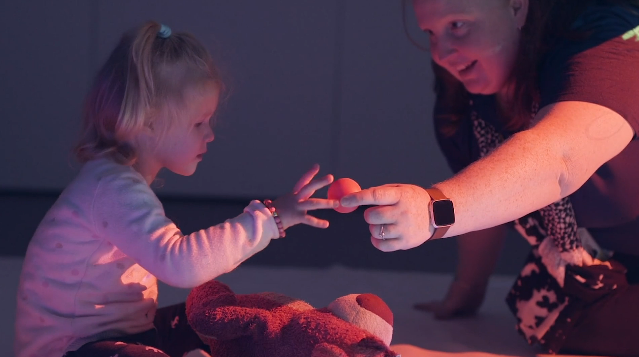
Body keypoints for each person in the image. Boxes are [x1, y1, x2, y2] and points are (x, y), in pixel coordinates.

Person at [14, 21, 339, 357]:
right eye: (198, 123)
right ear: (147, 120)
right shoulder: (110, 189)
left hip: (127, 333)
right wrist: (270, 219)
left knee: (220, 324)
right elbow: (181, 264)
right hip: (75, 349)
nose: (210, 134)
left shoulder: (114, 181)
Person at [341, 0, 639, 355]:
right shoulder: (466, 101)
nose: (442, 53)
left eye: (457, 25)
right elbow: (482, 201)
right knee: (569, 321)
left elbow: (561, 157)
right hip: (605, 265)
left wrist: (433, 210)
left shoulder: (604, 35)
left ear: (517, 7)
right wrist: (466, 291)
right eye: (431, 33)